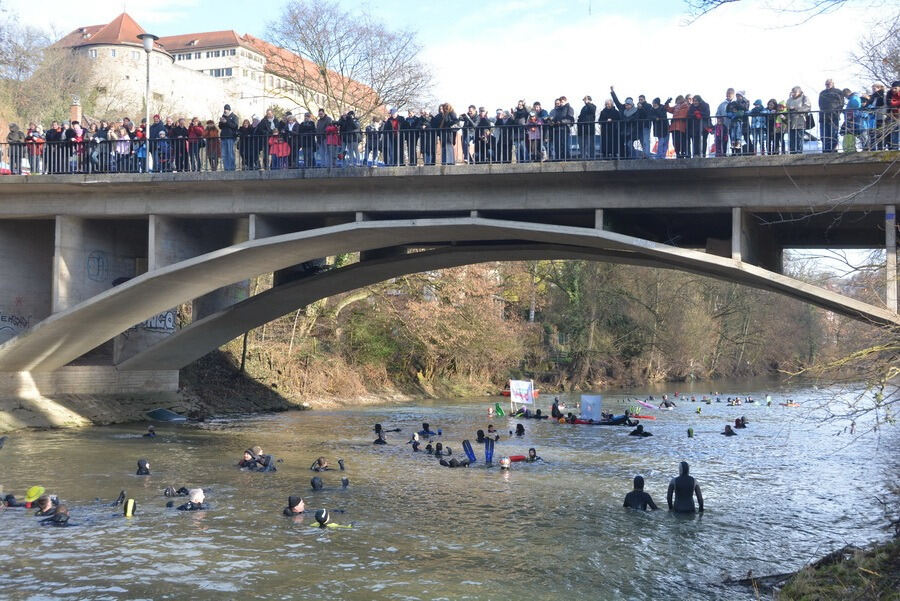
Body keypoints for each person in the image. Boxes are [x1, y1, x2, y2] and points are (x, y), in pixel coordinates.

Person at [819, 78, 844, 153]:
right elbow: (820, 104)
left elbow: (841, 103)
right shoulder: (822, 93)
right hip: (823, 116)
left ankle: (833, 150)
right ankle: (826, 150)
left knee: (833, 134)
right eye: (826, 84)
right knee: (824, 135)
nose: (827, 85)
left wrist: (837, 112)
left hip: (834, 116)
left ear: (832, 83)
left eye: (829, 84)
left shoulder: (838, 92)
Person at [786, 86, 812, 154]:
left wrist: (796, 109)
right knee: (791, 140)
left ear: (799, 92)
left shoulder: (804, 98)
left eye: (794, 92)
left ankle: (799, 153)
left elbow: (807, 107)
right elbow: (786, 108)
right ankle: (792, 153)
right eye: (792, 92)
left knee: (799, 138)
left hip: (800, 121)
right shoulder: (789, 100)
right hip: (791, 122)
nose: (793, 93)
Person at [218, 104, 239, 170]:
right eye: (224, 109)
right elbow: (220, 127)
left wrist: (226, 122)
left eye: (226, 109)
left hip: (230, 138)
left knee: (230, 153)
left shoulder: (234, 116)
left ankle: (232, 168)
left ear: (229, 110)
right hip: (223, 137)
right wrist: (221, 122)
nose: (225, 110)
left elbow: (235, 126)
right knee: (224, 154)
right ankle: (226, 168)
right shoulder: (223, 116)